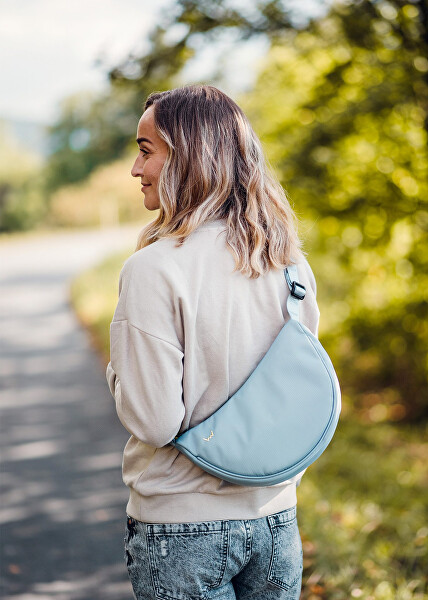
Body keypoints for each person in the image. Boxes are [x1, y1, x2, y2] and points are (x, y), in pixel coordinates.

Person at [106, 84, 320, 600]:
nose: (136, 170)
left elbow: (155, 421)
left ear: (187, 157)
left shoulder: (154, 268)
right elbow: (297, 387)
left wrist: (119, 371)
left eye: (145, 151)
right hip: (276, 519)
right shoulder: (287, 261)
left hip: (182, 527)